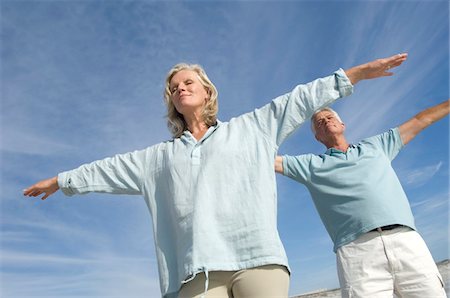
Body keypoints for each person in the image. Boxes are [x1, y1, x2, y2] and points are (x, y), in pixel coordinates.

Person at [23, 53, 407, 298]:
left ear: (207, 91)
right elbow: (107, 168)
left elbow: (300, 98)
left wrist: (354, 75)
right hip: (197, 274)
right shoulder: (157, 157)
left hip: (258, 261)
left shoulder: (252, 128)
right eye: (174, 88)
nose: (180, 88)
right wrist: (62, 180)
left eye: (188, 82)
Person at [275, 99, 449, 297]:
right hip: (357, 254)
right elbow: (268, 161)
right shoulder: (310, 165)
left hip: (406, 240)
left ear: (342, 125)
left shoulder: (377, 146)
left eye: (329, 117)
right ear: (317, 137)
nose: (325, 121)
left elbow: (421, 119)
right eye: (319, 122)